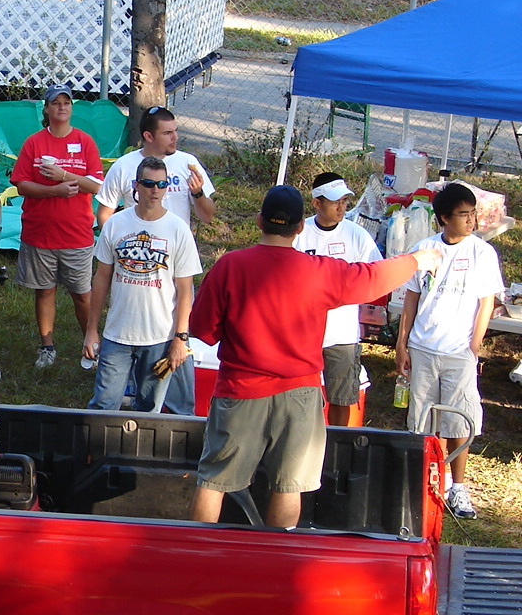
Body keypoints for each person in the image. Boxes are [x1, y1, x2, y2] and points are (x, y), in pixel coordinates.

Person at [188, 185, 443, 529]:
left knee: (214, 481)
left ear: (260, 220)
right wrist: (415, 260)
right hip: (300, 396)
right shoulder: (320, 271)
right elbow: (372, 278)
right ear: (299, 227)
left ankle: (198, 551)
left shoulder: (230, 266)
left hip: (240, 391)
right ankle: (278, 557)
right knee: (288, 486)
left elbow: (203, 329)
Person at [395, 183, 504, 520]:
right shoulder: (425, 249)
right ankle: (433, 482)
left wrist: (474, 345)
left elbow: (486, 302)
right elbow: (411, 299)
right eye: (463, 215)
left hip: (459, 351)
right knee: (425, 420)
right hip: (423, 347)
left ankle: (458, 487)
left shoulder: (482, 253)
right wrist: (402, 342)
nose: (471, 221)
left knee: (459, 420)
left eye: (472, 214)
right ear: (444, 218)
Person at [96, 106, 214, 414]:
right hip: (132, 264)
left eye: (176, 131)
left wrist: (198, 194)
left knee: (166, 351)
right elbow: (105, 213)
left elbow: (209, 216)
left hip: (173, 264)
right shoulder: (124, 167)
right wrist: (117, 245)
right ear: (148, 136)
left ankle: (172, 407)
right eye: (168, 132)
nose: (175, 137)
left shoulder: (188, 164)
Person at [83, 155, 201, 412]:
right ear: (136, 185)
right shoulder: (115, 224)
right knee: (103, 405)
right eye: (148, 184)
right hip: (117, 335)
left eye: (162, 184)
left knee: (149, 409)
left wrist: (180, 338)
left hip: (160, 337)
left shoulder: (178, 229)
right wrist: (91, 330)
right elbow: (101, 279)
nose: (155, 190)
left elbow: (185, 290)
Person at [9, 83, 104, 368]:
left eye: (67, 102)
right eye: (56, 103)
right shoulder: (34, 143)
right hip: (40, 232)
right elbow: (22, 185)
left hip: (76, 233)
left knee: (82, 294)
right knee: (44, 290)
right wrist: (54, 191)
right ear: (47, 109)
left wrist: (64, 175)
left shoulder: (85, 142)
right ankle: (47, 347)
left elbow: (96, 185)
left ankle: (91, 344)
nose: (62, 107)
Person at [292, 172, 381, 426]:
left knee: (342, 399)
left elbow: (374, 274)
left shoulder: (357, 235)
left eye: (344, 201)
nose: (341, 207)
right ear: (316, 203)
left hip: (342, 335)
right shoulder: (300, 233)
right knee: (301, 397)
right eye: (334, 202)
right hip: (303, 333)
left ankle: (336, 443)